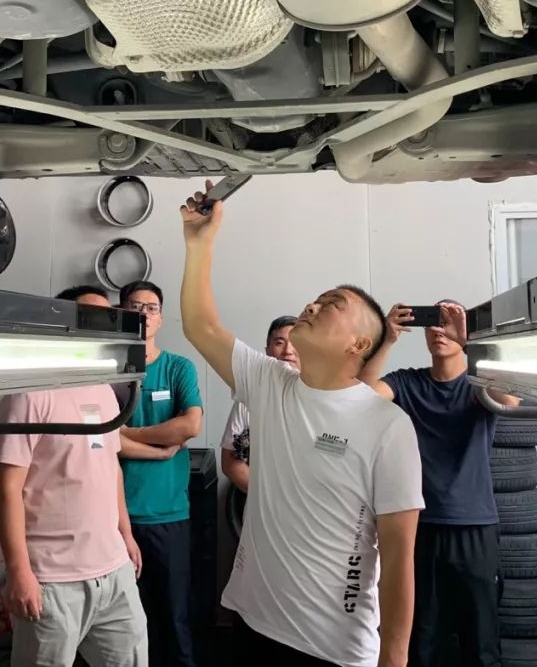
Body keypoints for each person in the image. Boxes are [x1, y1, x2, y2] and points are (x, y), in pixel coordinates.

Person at [179, 182, 423, 667]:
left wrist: (394, 659)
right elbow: (201, 327)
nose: (311, 306)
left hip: (331, 648)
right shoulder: (270, 383)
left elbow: (399, 556)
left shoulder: (386, 425)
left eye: (331, 305)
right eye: (314, 300)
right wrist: (199, 244)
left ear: (359, 345)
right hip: (252, 623)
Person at [360, 301, 520, 667]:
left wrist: (469, 345)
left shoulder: (478, 384)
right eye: (433, 322)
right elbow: (362, 397)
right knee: (422, 638)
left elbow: (510, 400)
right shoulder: (408, 382)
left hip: (474, 526)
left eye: (449, 323)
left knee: (481, 640)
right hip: (419, 526)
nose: (439, 330)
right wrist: (386, 339)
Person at [0, 284, 147, 667]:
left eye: (109, 317)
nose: (105, 326)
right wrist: (19, 571)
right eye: (93, 317)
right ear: (62, 323)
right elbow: (8, 488)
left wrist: (125, 532)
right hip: (52, 579)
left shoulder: (104, 388)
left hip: (113, 572)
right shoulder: (28, 394)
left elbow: (109, 465)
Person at [117, 279, 204, 667]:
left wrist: (128, 433)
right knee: (121, 626)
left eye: (151, 308)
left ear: (161, 318)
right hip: (117, 518)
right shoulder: (110, 371)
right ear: (121, 314)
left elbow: (190, 425)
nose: (143, 314)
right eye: (135, 307)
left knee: (173, 618)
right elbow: (101, 438)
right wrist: (158, 449)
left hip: (168, 516)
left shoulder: (178, 368)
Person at [219, 315, 298, 493]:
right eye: (279, 343)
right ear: (268, 351)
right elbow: (231, 461)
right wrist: (268, 497)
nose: (288, 351)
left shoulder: (322, 395)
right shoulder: (250, 396)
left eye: (295, 342)